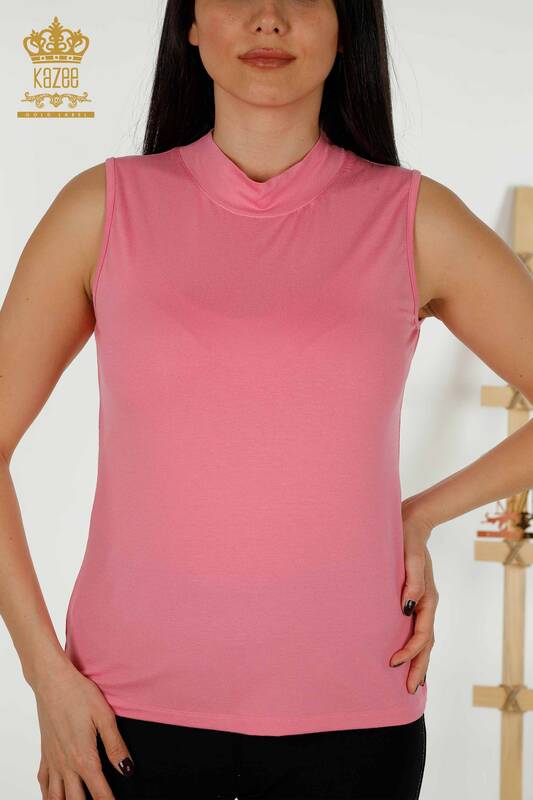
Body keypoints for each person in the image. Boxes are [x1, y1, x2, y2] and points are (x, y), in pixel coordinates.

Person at [1, 0, 532, 797]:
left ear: (347, 25)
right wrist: (45, 676)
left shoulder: (413, 218)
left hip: (355, 722)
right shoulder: (101, 209)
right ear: (189, 23)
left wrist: (418, 515)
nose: (268, 18)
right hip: (121, 718)